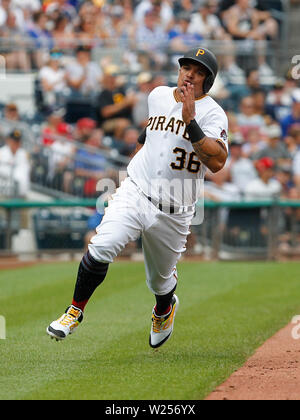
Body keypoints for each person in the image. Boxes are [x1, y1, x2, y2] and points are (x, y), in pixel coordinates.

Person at [47, 47, 228, 349]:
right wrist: (128, 179)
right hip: (138, 192)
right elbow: (146, 137)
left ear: (206, 81)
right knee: (102, 245)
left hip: (176, 207)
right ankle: (74, 311)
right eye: (186, 67)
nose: (189, 74)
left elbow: (217, 162)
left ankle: (164, 308)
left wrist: (190, 121)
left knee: (160, 282)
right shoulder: (157, 95)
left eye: (197, 71)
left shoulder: (213, 113)